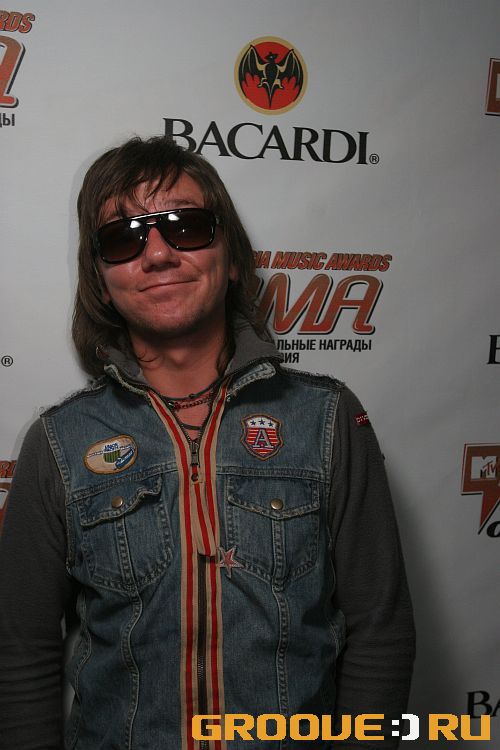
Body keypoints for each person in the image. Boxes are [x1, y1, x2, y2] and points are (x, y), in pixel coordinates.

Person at [0, 136, 415, 750]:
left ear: (232, 257)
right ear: (101, 279)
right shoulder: (60, 443)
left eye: (186, 227)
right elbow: (20, 651)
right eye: (124, 238)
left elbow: (380, 629)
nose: (158, 254)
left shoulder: (327, 418)